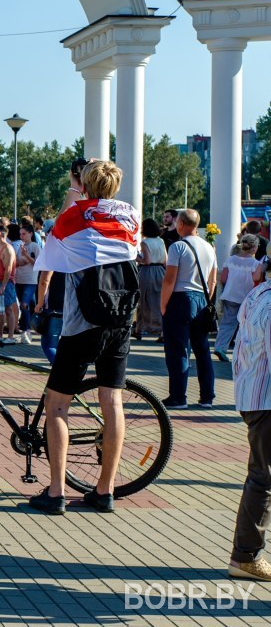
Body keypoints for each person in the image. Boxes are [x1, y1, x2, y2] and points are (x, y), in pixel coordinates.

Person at [28, 159, 138, 515]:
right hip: (121, 319)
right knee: (112, 401)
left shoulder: (74, 217)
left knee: (57, 404)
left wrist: (74, 193)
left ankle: (57, 492)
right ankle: (104, 491)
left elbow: (53, 242)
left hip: (84, 321)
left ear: (84, 185)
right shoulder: (130, 216)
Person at [227, 276, 271, 581]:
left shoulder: (259, 293)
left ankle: (246, 554)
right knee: (263, 477)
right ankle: (245, 555)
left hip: (254, 395)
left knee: (262, 475)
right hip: (265, 399)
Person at [160, 208, 218, 409]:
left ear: (182, 224)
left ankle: (178, 397)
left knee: (177, 350)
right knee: (202, 349)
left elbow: (170, 279)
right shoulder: (209, 247)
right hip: (201, 299)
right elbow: (213, 280)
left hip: (180, 298)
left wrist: (163, 305)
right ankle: (207, 397)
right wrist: (206, 301)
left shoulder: (178, 247)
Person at [216, 233, 265, 363]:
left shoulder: (230, 260)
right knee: (244, 325)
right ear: (254, 247)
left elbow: (223, 278)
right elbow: (256, 278)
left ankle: (220, 347)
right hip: (246, 298)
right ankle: (242, 351)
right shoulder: (256, 263)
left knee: (227, 323)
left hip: (230, 295)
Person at [135, 218, 167, 341]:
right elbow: (165, 259)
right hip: (160, 271)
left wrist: (136, 257)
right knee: (160, 302)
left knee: (143, 300)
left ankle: (139, 329)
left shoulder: (145, 242)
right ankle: (162, 331)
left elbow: (147, 261)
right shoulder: (161, 241)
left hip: (147, 272)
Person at [0, 224, 18, 343]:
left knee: (7, 309)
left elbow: (8, 269)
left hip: (5, 284)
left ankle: (11, 337)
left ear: (0, 234)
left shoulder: (8, 248)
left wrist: (3, 285)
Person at [15, 224, 41, 344]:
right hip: (19, 279)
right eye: (20, 234)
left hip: (30, 280)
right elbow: (17, 262)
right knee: (29, 304)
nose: (22, 236)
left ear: (31, 234)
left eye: (24, 234)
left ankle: (25, 331)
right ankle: (32, 326)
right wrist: (22, 261)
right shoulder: (19, 247)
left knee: (25, 305)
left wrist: (26, 257)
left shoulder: (35, 246)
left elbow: (39, 263)